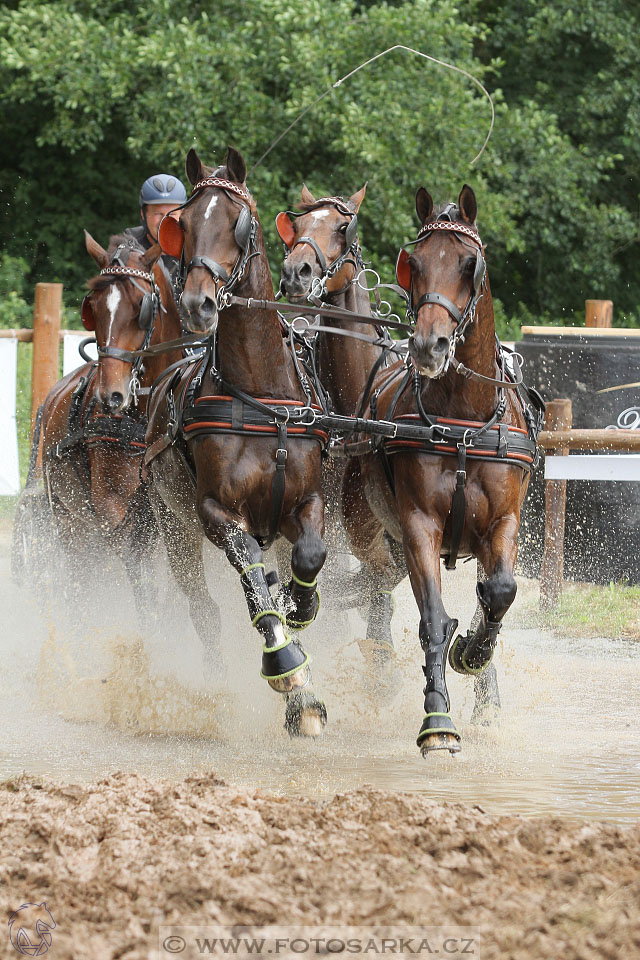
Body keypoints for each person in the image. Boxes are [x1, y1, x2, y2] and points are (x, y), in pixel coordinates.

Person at [124, 173, 187, 285]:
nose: (164, 221)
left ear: (182, 215)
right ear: (143, 214)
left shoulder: (195, 248)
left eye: (172, 214)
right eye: (158, 213)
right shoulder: (128, 247)